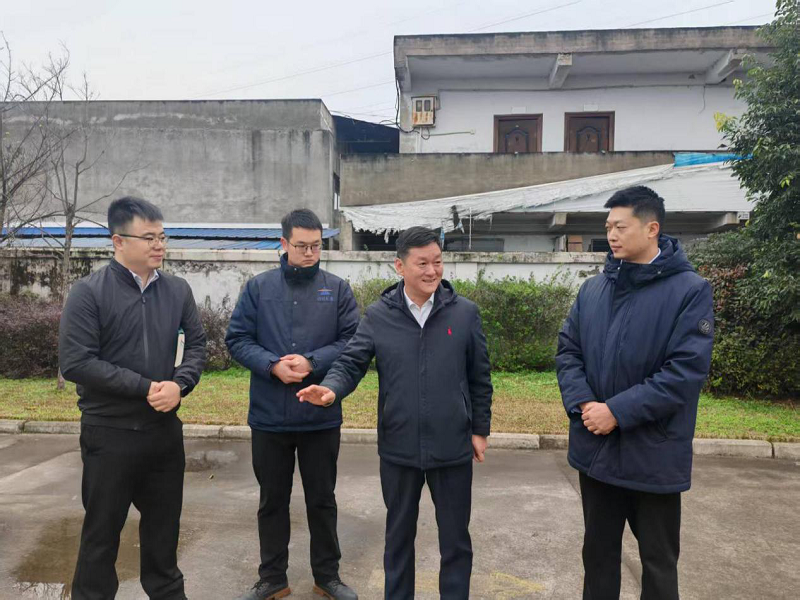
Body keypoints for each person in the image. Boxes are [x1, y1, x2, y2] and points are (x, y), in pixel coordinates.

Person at [298, 226, 493, 600]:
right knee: (398, 540)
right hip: (399, 448)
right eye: (422, 263)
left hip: (452, 446)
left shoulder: (464, 313)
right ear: (400, 266)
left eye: (437, 262)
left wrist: (479, 429)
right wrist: (331, 388)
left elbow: (479, 377)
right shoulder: (379, 315)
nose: (432, 271)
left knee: (456, 542)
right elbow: (351, 362)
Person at [556, 186, 714, 600]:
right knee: (598, 558)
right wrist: (586, 404)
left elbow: (684, 373)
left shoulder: (690, 290)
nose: (611, 235)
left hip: (654, 456)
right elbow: (568, 352)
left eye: (621, 227)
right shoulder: (593, 290)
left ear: (652, 229)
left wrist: (616, 412)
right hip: (597, 453)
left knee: (659, 565)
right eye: (608, 226)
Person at [59, 196, 207, 600]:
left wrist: (180, 385)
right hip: (110, 434)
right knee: (101, 537)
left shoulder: (177, 290)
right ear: (118, 241)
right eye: (149, 237)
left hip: (163, 433)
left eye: (162, 236)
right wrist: (145, 387)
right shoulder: (89, 293)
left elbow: (197, 346)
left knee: (164, 536)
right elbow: (77, 362)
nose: (159, 245)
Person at [226, 209, 360, 600]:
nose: (310, 253)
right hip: (270, 417)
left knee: (322, 500)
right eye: (301, 246)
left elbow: (353, 342)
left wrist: (312, 362)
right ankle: (272, 578)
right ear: (283, 244)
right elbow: (237, 339)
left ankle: (327, 576)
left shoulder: (337, 290)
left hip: (320, 416)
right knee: (272, 501)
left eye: (316, 246)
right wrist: (272, 365)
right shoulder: (259, 288)